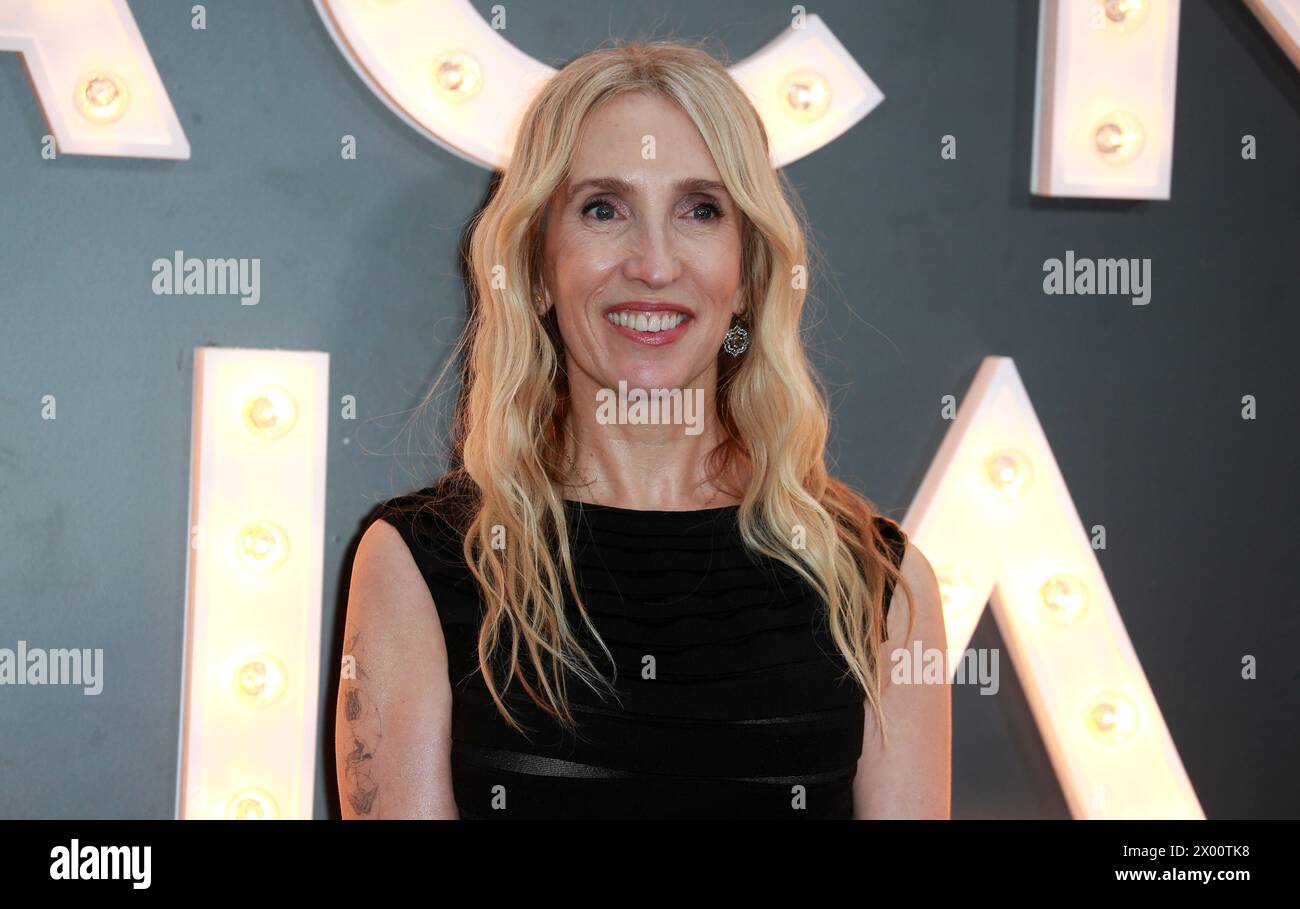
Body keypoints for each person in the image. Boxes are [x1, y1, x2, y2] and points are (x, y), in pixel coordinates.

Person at [336, 39, 949, 819]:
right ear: (536, 268)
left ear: (748, 274)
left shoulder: (878, 586)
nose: (654, 264)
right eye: (603, 209)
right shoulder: (418, 568)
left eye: (700, 210)